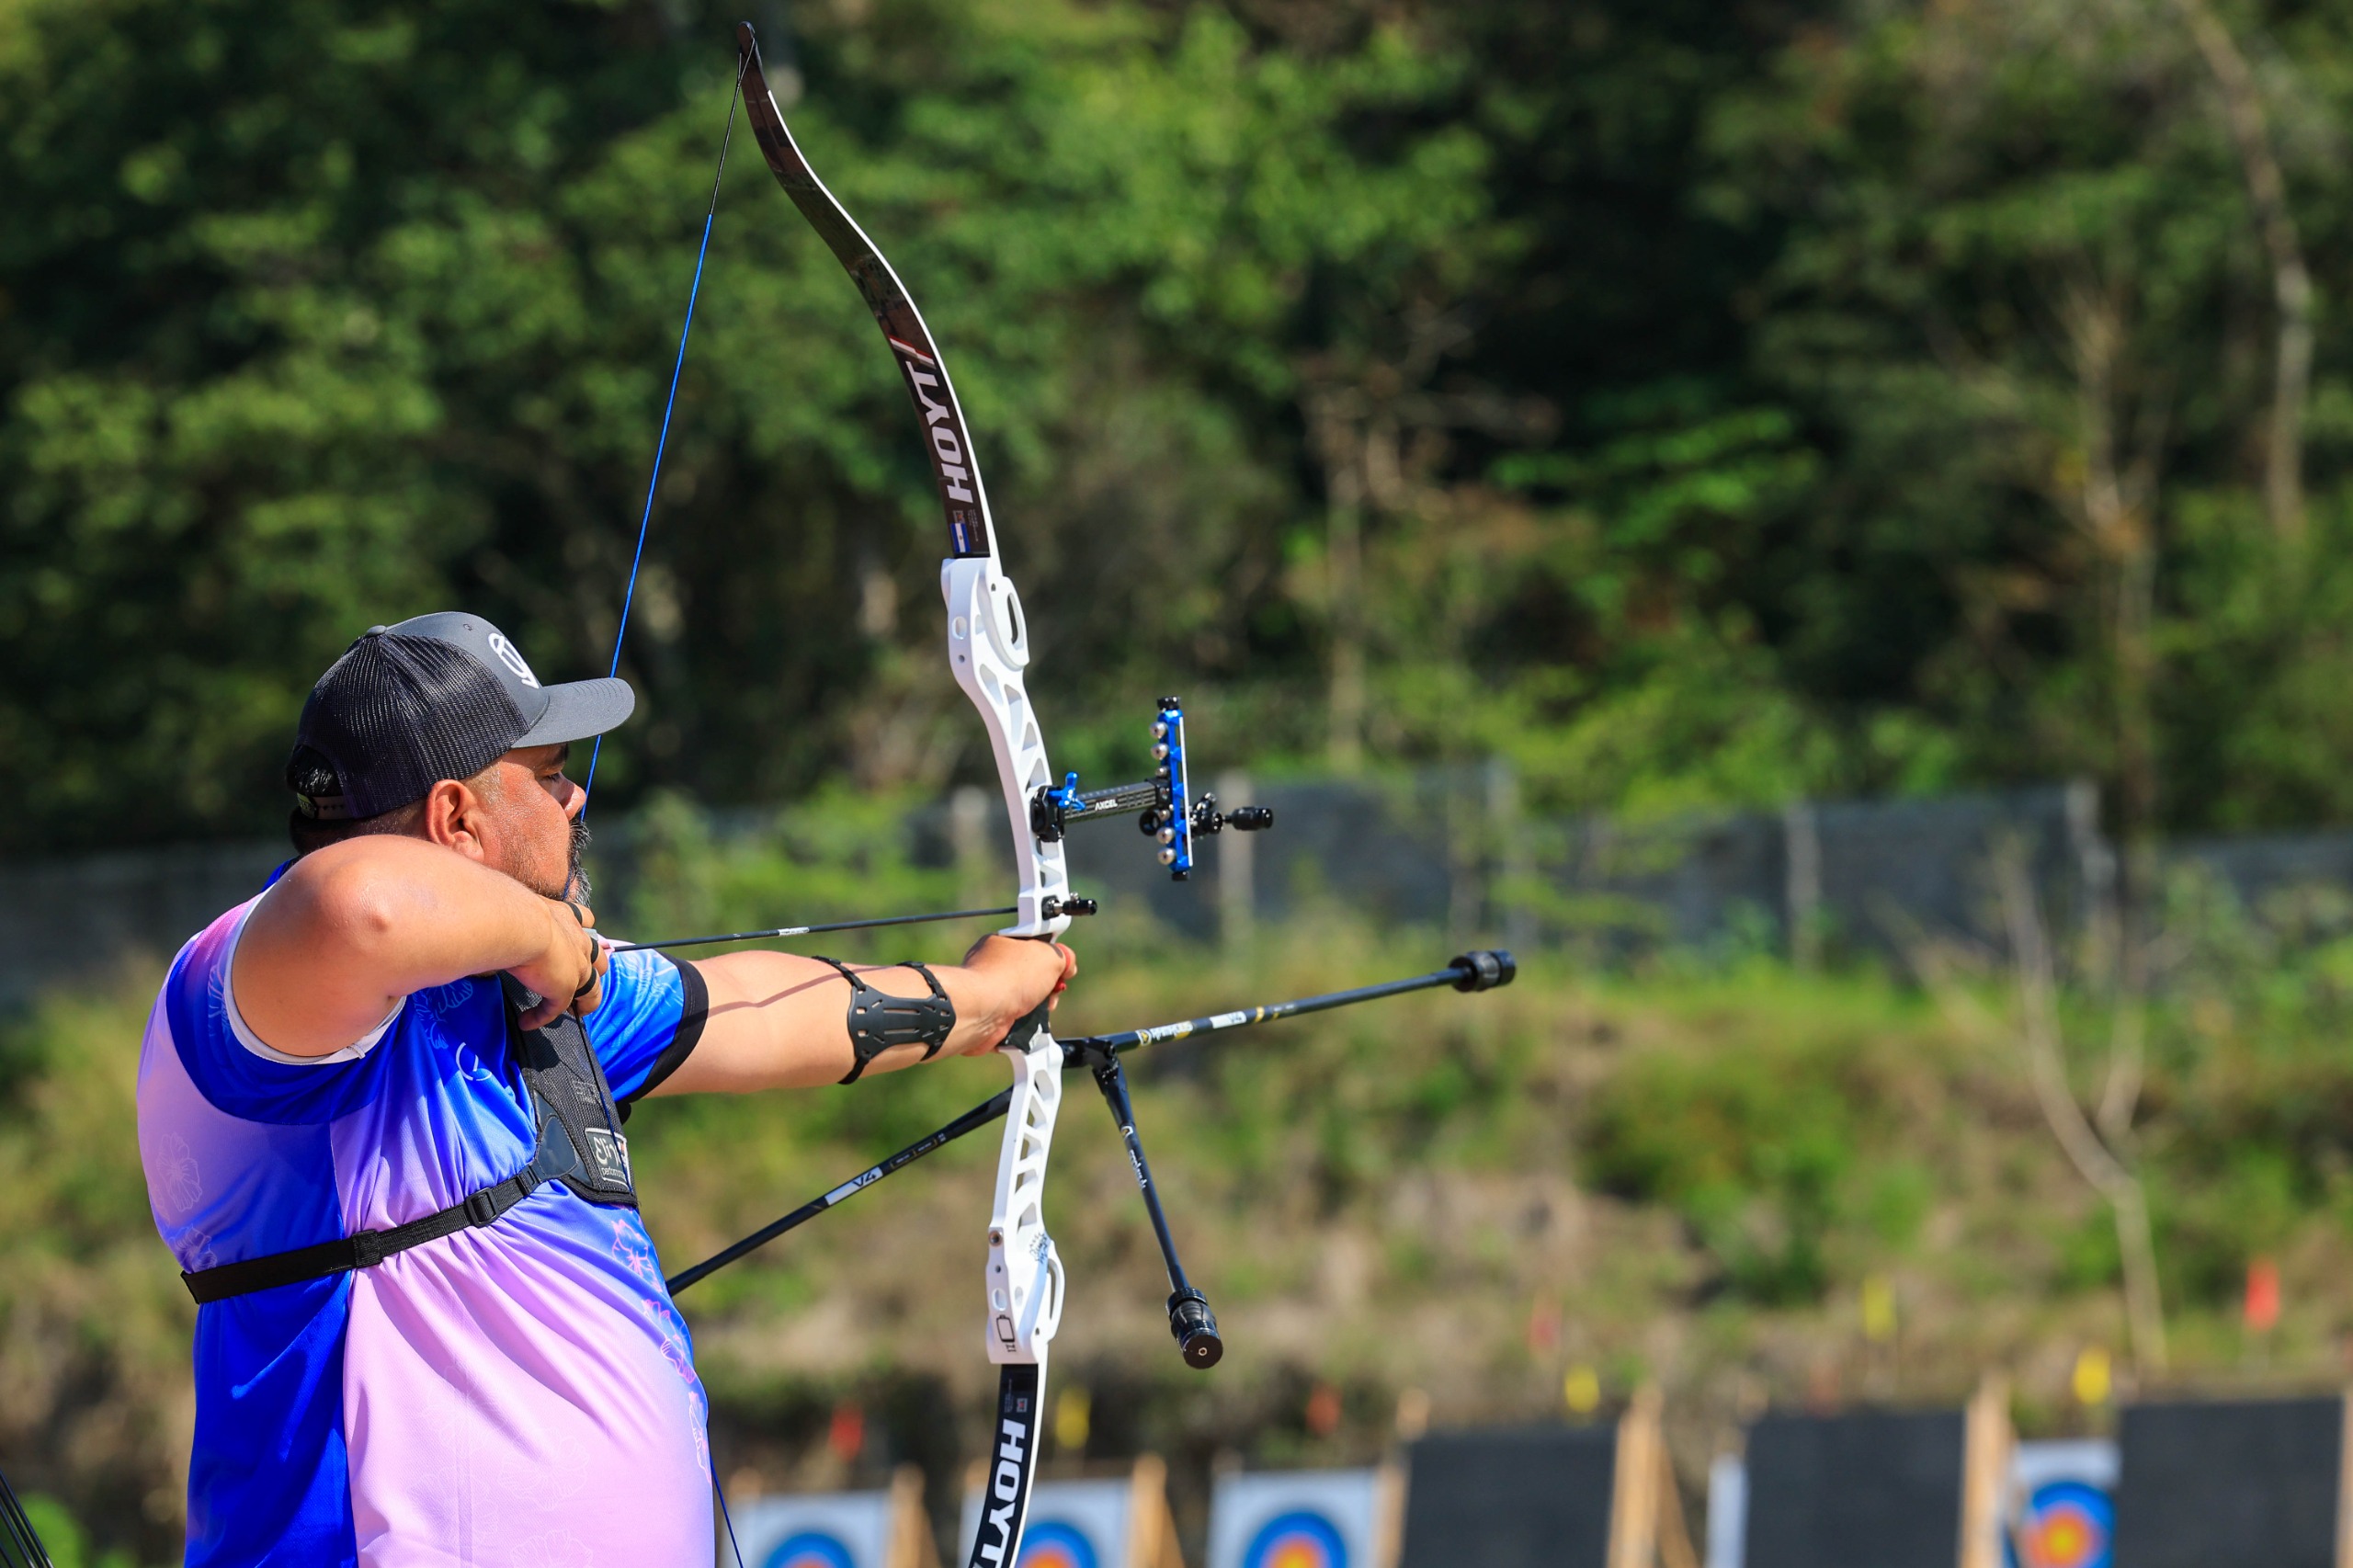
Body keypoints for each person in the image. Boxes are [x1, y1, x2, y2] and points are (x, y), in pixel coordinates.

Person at [133, 612, 1074, 1567]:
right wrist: (550, 942)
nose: (576, 795)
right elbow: (358, 904)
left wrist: (985, 996)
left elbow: (755, 1008)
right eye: (545, 774)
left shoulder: (518, 993)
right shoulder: (255, 984)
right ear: (457, 818)